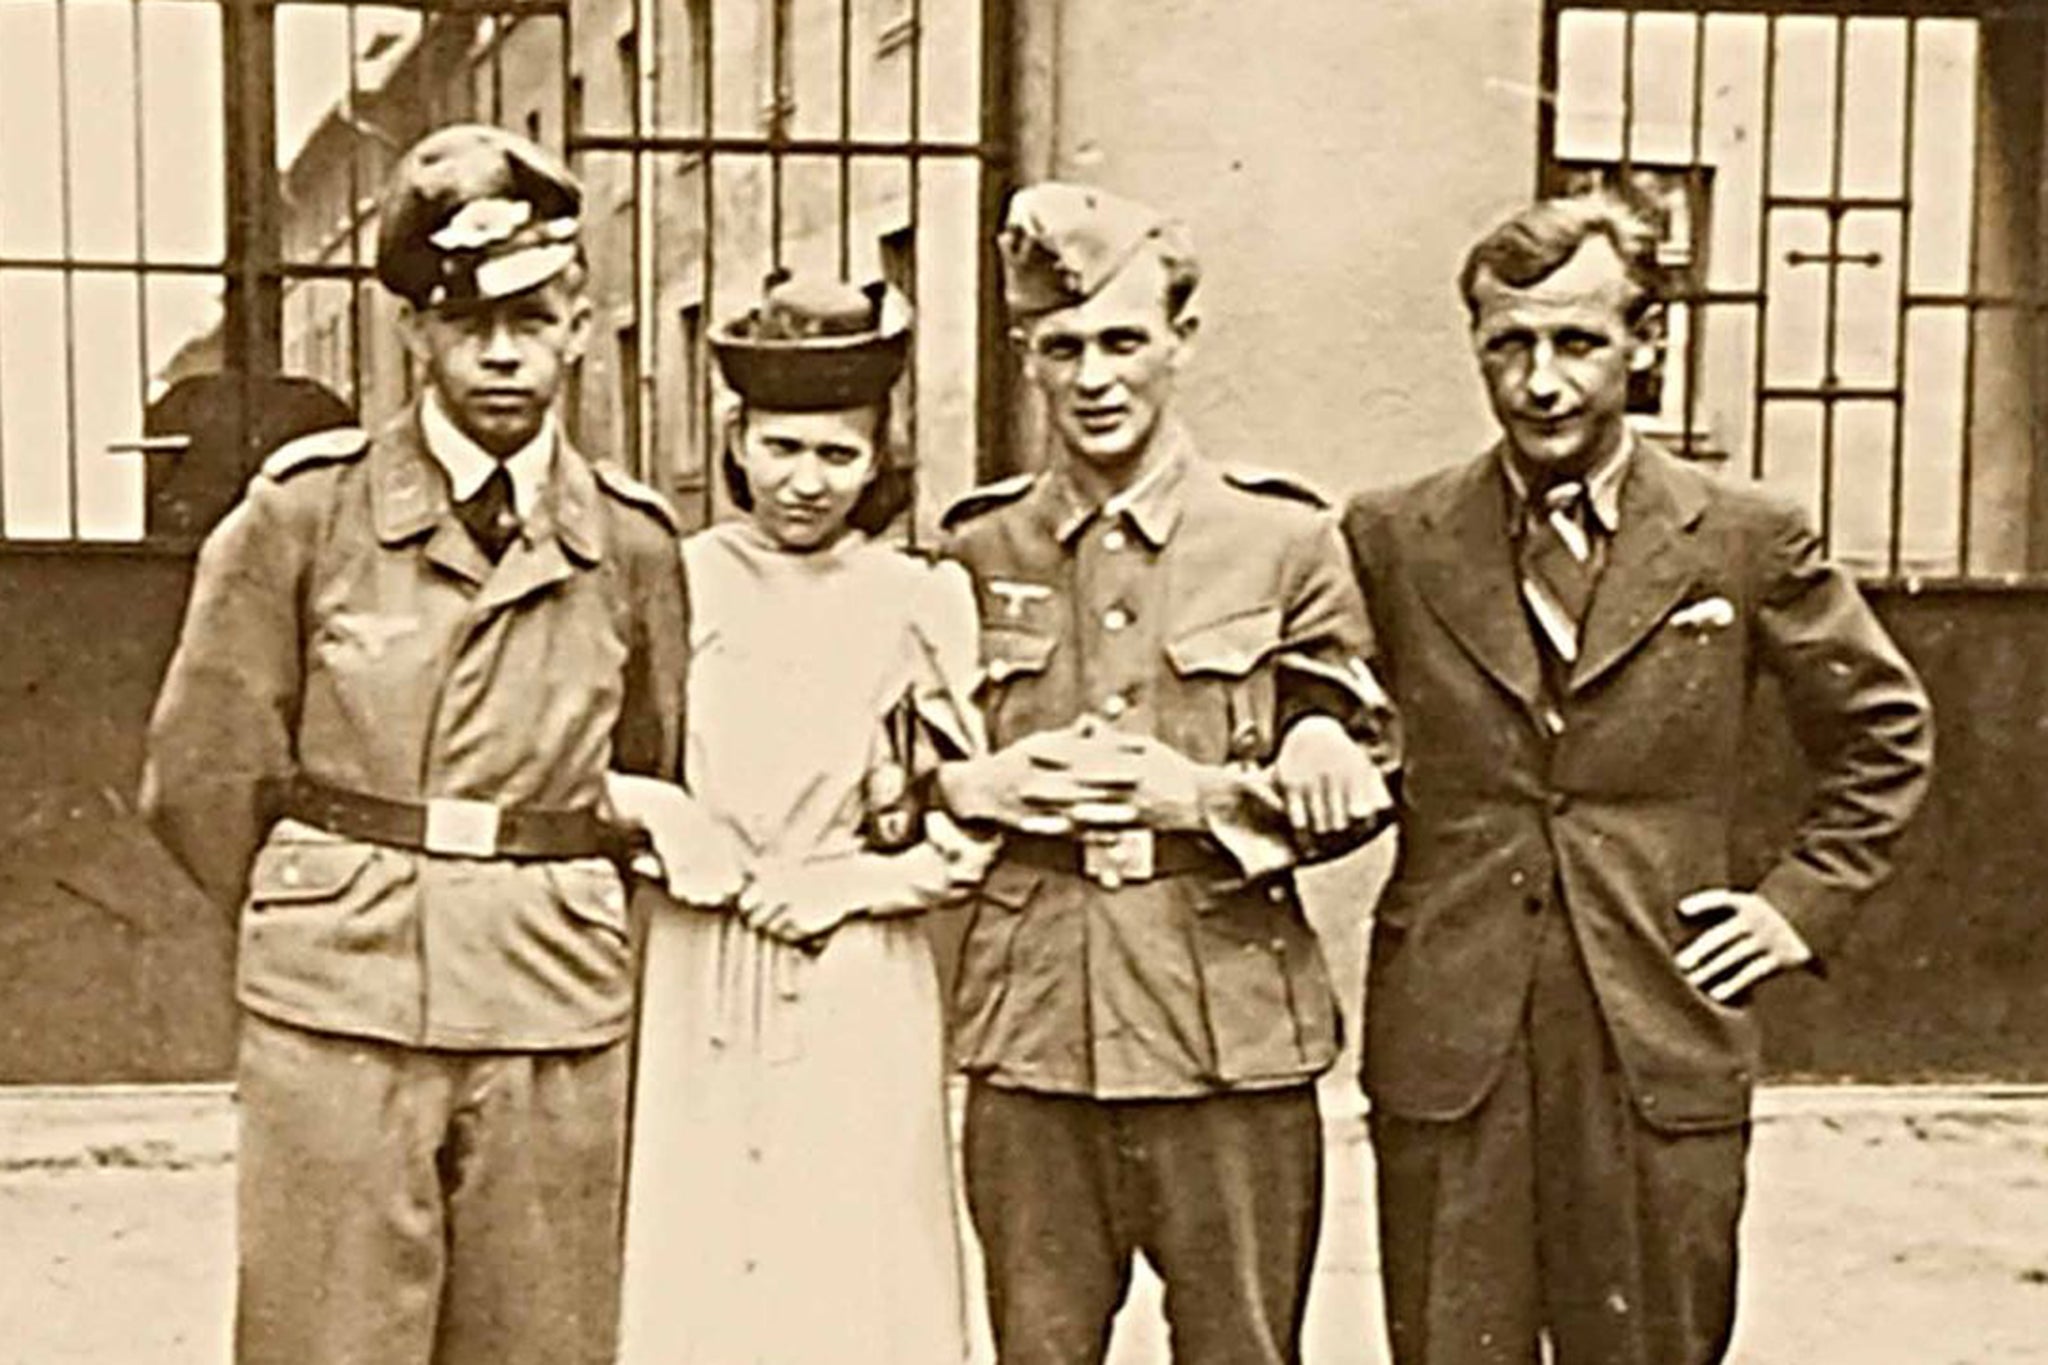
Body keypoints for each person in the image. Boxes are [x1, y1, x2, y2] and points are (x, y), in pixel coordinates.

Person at [1341, 194, 1935, 1365]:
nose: (1540, 382)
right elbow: (1330, 714)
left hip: (1655, 1028)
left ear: (1644, 340)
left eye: (1576, 341)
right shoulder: (1393, 536)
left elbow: (1882, 735)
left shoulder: (1742, 535)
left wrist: (1794, 907)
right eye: (1507, 345)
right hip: (1454, 1041)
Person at [140, 123, 688, 1365]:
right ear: (413, 334)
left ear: (578, 326)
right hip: (339, 1000)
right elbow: (202, 771)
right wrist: (325, 901)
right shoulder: (303, 514)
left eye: (531, 317)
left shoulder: (631, 543)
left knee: (541, 1341)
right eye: (465, 321)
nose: (500, 352)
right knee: (323, 1338)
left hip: (549, 997)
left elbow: (652, 763)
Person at [934, 182, 1399, 1365]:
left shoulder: (1283, 539)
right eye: (1062, 348)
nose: (1094, 378)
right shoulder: (973, 548)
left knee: (1241, 1348)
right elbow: (900, 765)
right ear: (1026, 359)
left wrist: (1198, 797)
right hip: (1034, 1028)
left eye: (1122, 342)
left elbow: (1362, 764)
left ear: (1179, 341)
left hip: (1224, 1031)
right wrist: (968, 791)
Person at [608, 274, 993, 1365]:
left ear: (878, 459)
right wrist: (665, 818)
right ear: (738, 442)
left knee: (852, 1242)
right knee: (697, 1236)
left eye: (837, 453)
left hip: (853, 961)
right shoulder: (675, 581)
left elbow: (969, 817)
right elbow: (583, 763)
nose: (805, 481)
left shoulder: (919, 596)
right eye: (780, 448)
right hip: (693, 950)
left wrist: (852, 885)